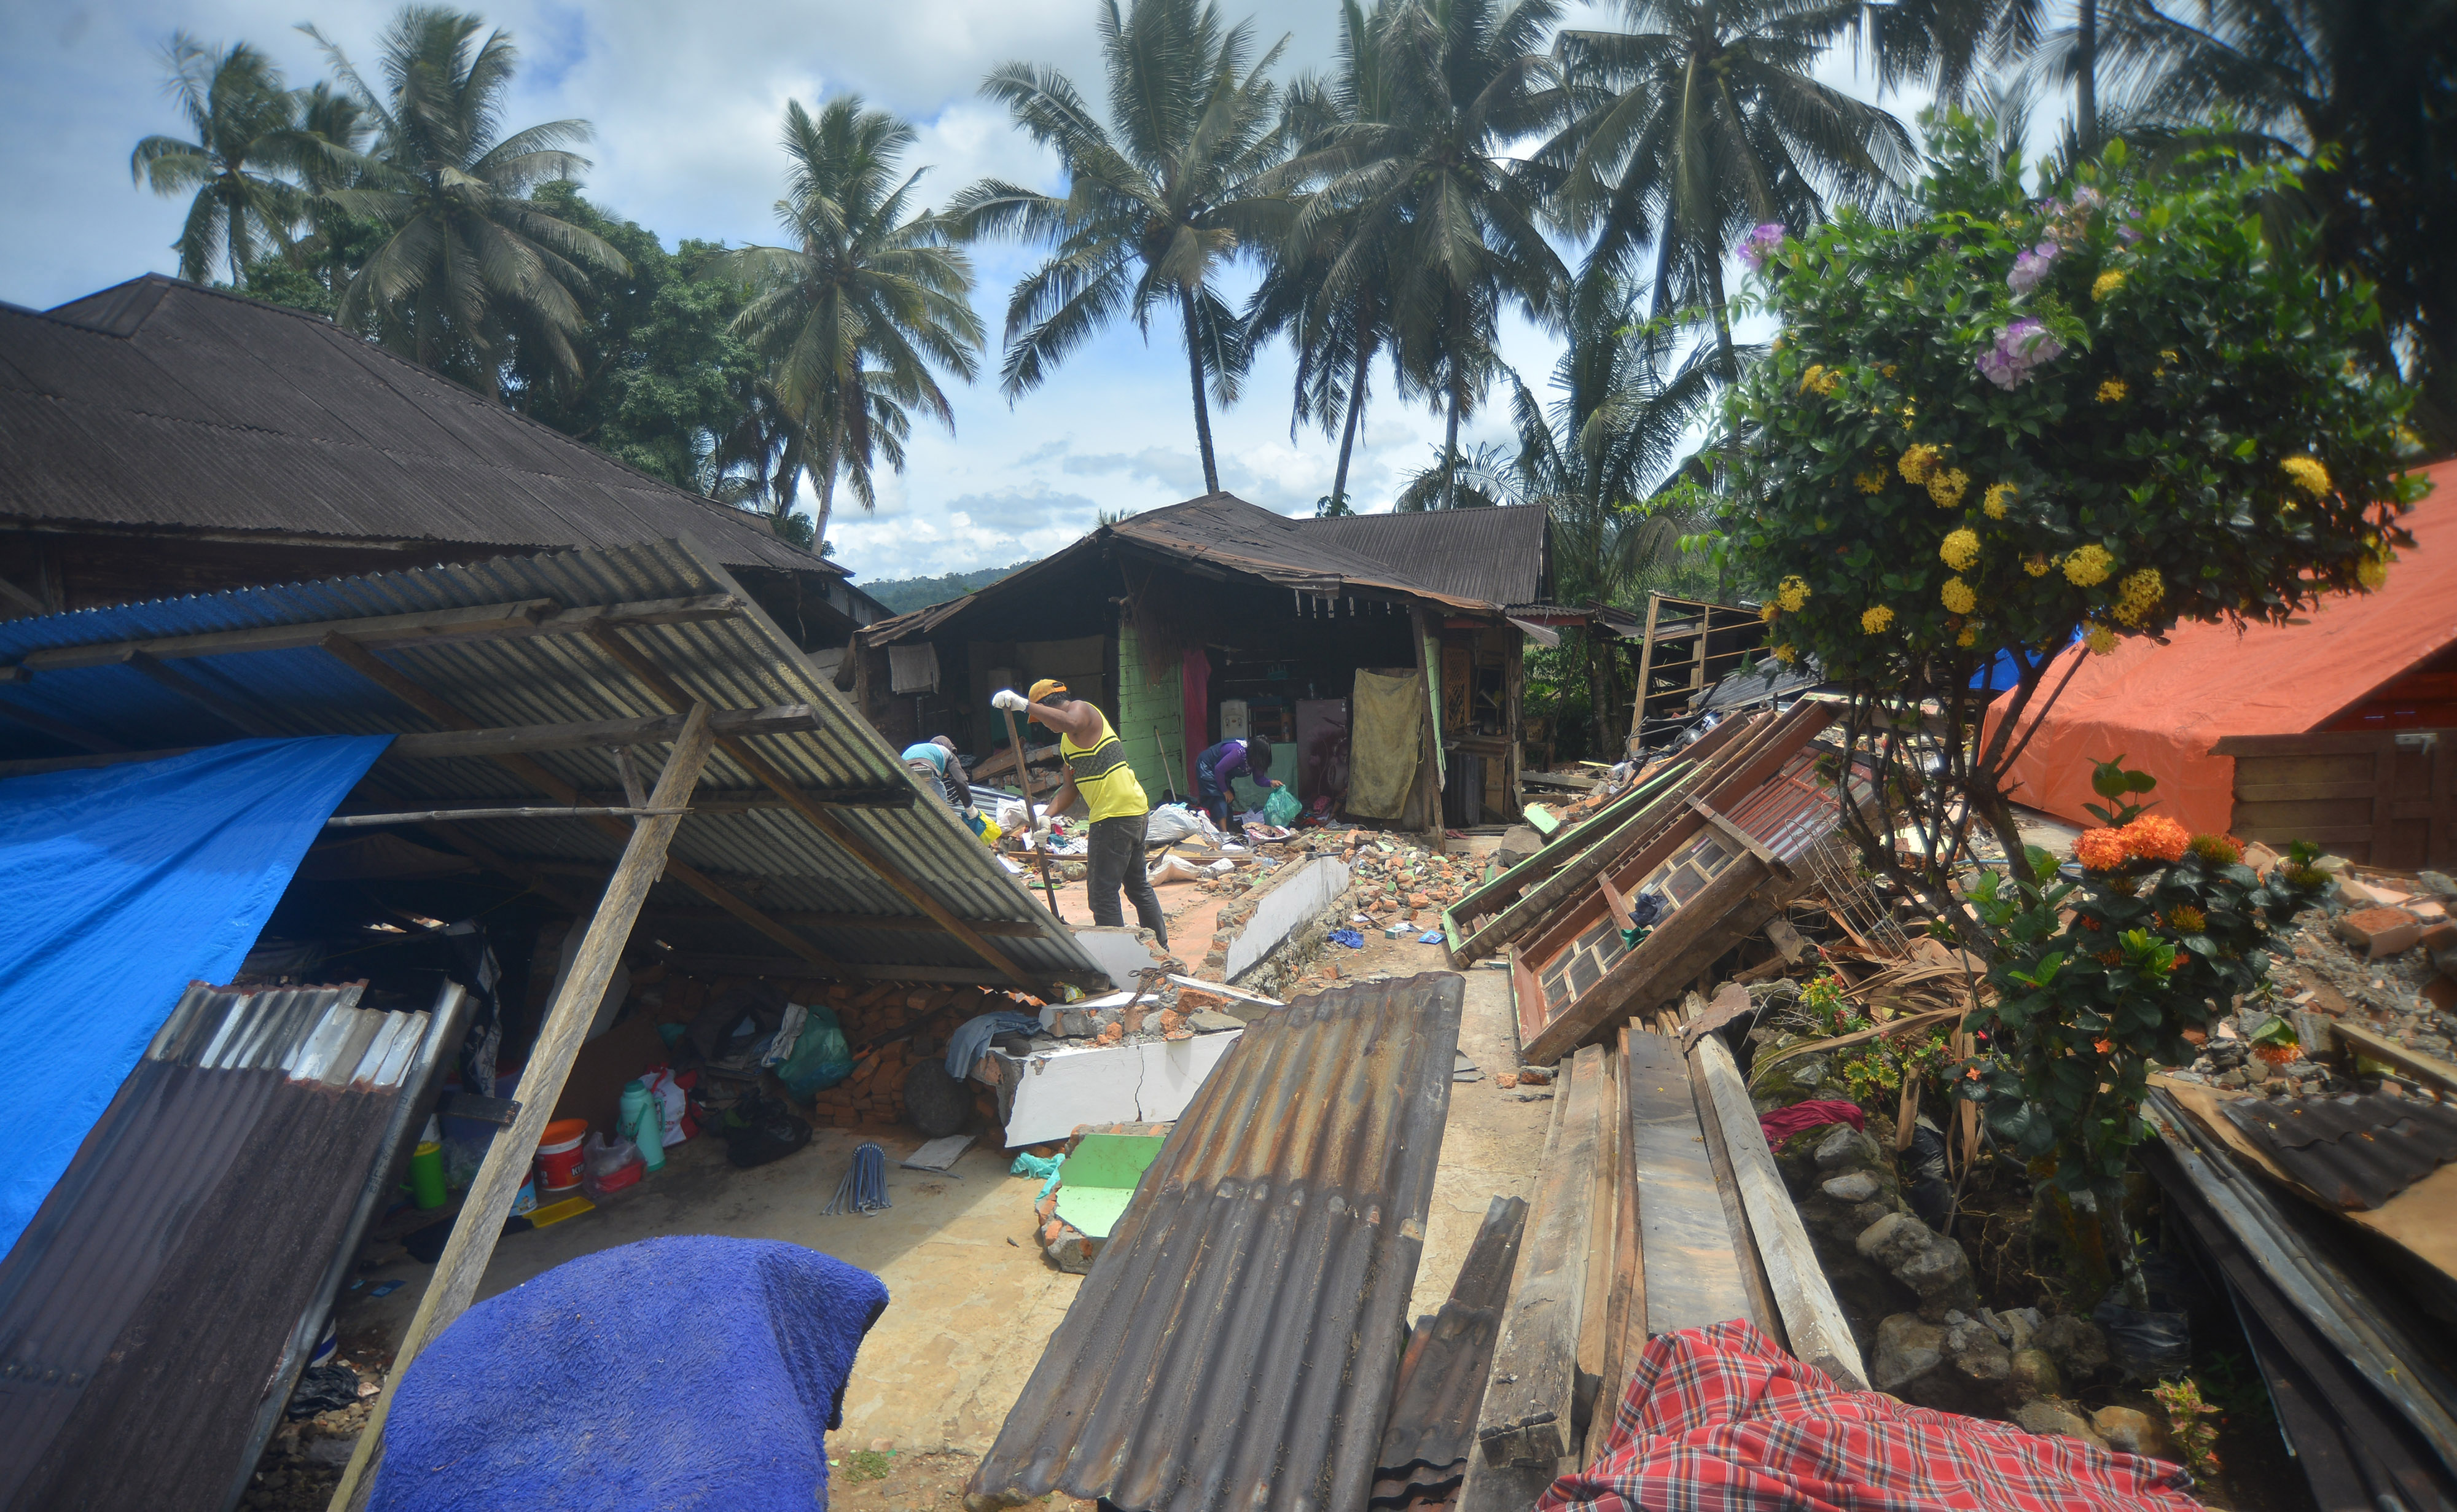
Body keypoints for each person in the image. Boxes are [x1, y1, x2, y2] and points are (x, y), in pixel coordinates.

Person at [991, 679, 1168, 948]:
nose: (1045, 726)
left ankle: (1117, 958)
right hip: (1132, 811)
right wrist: (1047, 816)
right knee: (1137, 886)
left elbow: (1069, 722)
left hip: (1114, 816)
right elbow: (1070, 788)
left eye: (1042, 718)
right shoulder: (1067, 743)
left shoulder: (1082, 710)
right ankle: (1160, 950)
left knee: (1102, 895)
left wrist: (1025, 706)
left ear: (1047, 708)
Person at [1192, 735, 1282, 833]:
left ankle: (1224, 827)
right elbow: (1219, 770)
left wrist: (1270, 782)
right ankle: (1224, 833)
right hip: (1208, 766)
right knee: (1218, 796)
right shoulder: (1238, 753)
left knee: (1229, 798)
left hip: (1222, 773)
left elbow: (1258, 779)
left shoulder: (1256, 761)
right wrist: (1225, 791)